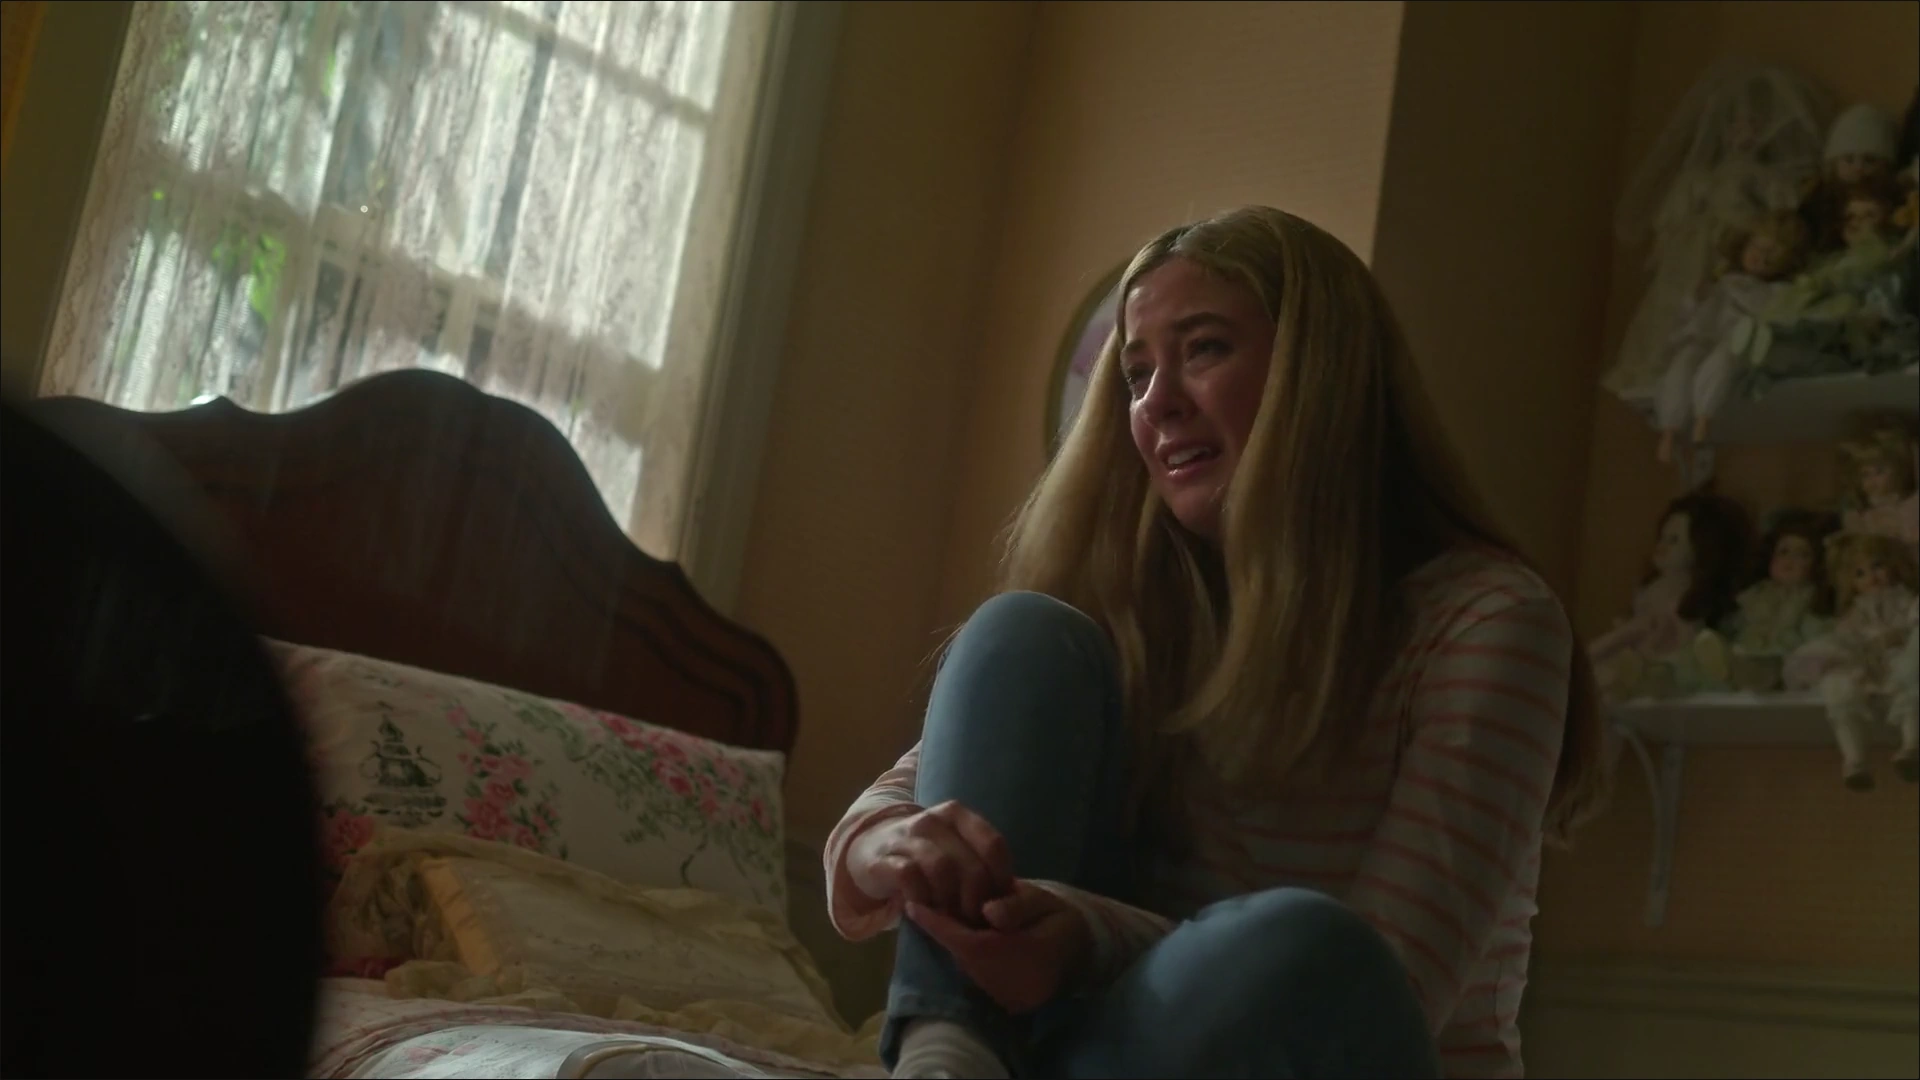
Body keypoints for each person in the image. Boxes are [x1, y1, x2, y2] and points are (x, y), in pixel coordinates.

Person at [820, 207, 1607, 1079]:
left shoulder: (1489, 621)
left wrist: (1088, 934)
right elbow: (890, 809)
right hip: (1094, 1055)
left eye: (1203, 350)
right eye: (1136, 373)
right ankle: (949, 1061)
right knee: (1020, 632)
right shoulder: (1140, 604)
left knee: (1306, 942)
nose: (1156, 402)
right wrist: (887, 847)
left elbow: (1375, 990)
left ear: (1322, 375)